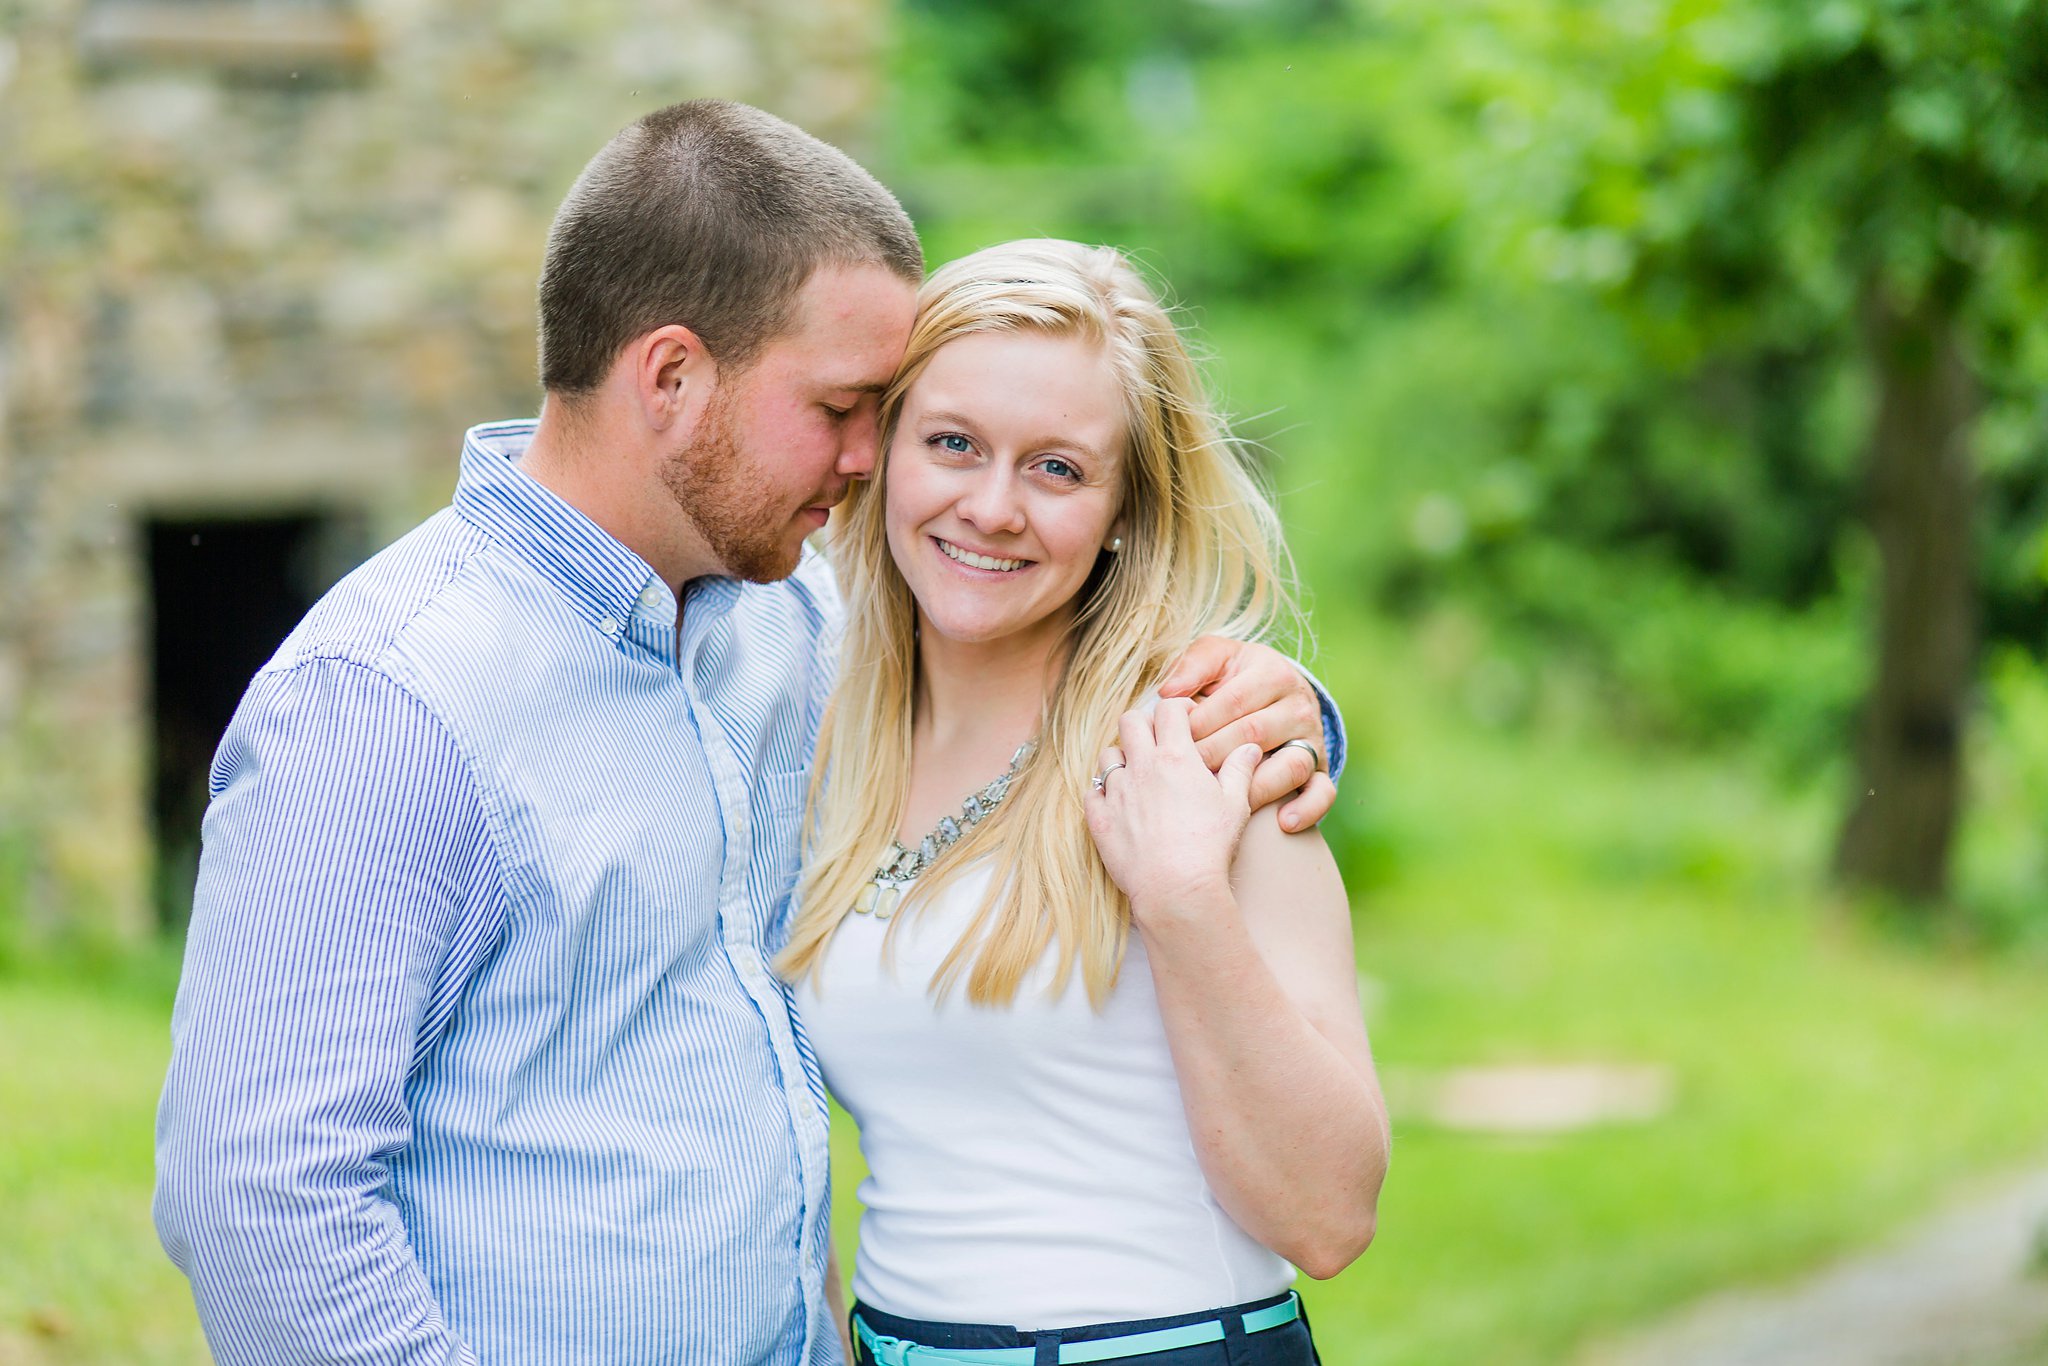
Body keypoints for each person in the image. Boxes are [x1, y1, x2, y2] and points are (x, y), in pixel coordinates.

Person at [152, 103, 1343, 1366]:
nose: (870, 458)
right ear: (670, 378)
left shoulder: (781, 625)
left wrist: (1269, 709)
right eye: (841, 407)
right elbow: (260, 1198)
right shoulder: (386, 699)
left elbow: (1021, 679)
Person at [783, 240, 1389, 1366]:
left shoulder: (1199, 742)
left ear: (1122, 508)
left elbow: (1330, 1214)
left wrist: (1182, 899)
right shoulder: (820, 720)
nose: (992, 507)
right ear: (880, 451)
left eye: (1057, 469)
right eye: (952, 444)